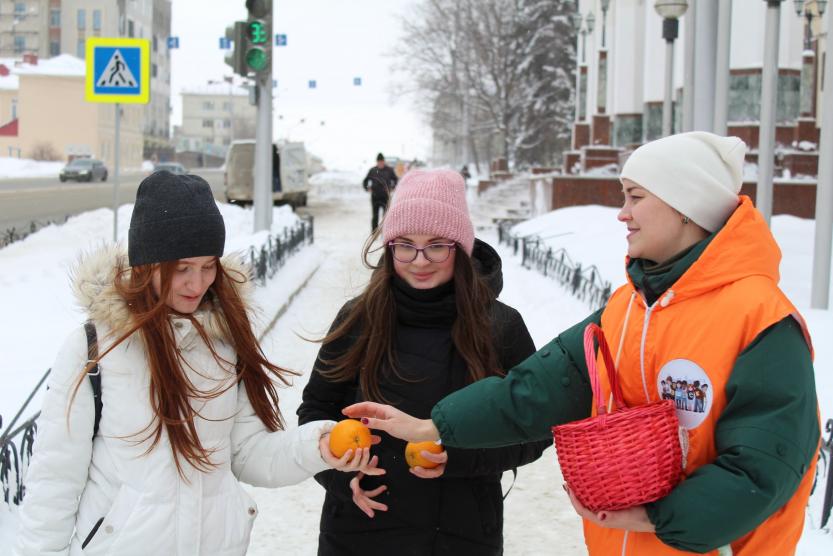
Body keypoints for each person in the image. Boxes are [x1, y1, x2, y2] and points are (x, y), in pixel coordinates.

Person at [345, 132, 821, 556]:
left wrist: (653, 517)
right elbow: (533, 389)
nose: (622, 213)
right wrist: (434, 426)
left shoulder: (762, 319)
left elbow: (763, 469)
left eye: (635, 197)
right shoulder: (629, 307)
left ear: (685, 208)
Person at [13, 172, 381, 556]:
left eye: (208, 266)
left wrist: (318, 446)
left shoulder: (223, 342)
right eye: (182, 269)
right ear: (145, 264)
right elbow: (55, 477)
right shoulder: (95, 349)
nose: (197, 283)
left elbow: (246, 454)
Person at [298, 169, 549, 555]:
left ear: (461, 248)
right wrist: (338, 477)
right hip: (359, 528)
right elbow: (315, 411)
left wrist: (459, 456)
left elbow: (535, 429)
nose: (419, 260)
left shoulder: (499, 326)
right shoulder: (358, 318)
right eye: (405, 245)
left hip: (461, 533)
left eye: (436, 245)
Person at [362, 153, 398, 231]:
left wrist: (392, 187)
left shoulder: (389, 170)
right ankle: (374, 233)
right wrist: (367, 188)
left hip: (385, 196)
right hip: (375, 196)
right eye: (379, 161)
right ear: (377, 162)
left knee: (386, 216)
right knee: (375, 216)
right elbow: (365, 181)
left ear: (384, 161)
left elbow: (395, 180)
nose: (380, 163)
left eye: (382, 161)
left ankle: (385, 232)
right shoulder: (373, 170)